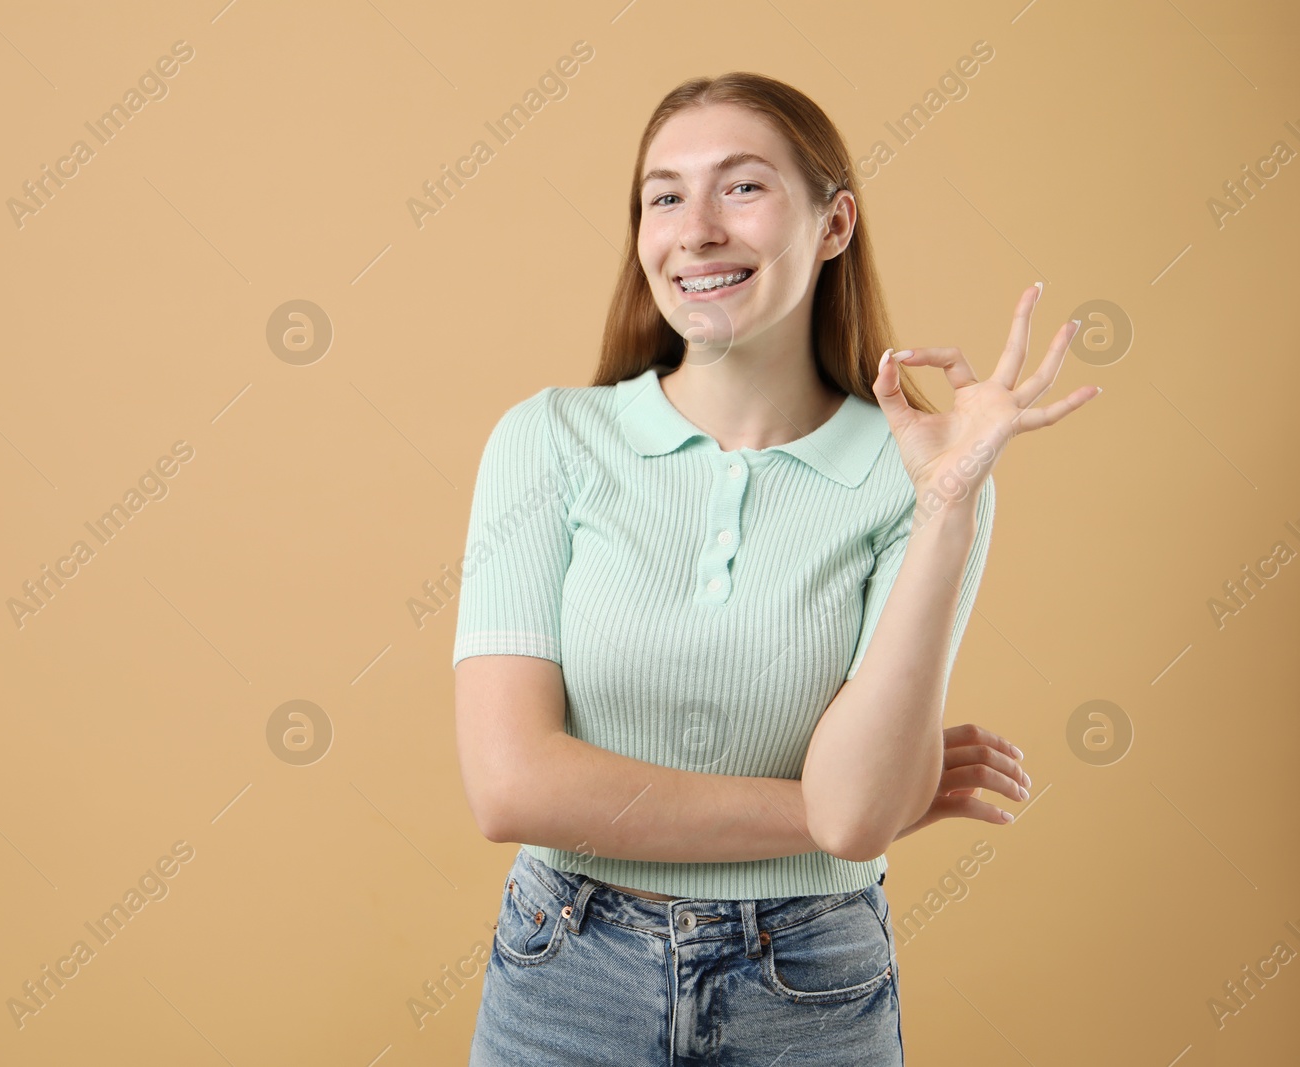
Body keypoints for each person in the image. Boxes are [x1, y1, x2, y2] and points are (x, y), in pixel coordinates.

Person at [451, 71, 1097, 1066]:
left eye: (740, 188)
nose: (695, 229)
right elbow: (511, 784)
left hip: (810, 982)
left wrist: (945, 503)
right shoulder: (549, 441)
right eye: (663, 195)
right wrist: (836, 810)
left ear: (834, 223)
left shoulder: (912, 477)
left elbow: (858, 810)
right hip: (566, 969)